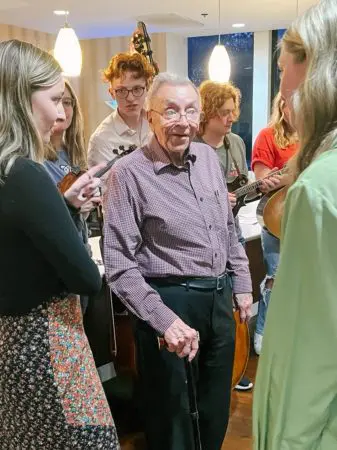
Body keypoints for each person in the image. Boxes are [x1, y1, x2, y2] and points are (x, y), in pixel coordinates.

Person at [103, 72, 253, 450]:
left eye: (190, 111)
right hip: (171, 305)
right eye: (170, 111)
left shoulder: (206, 158)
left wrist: (243, 283)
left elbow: (226, 227)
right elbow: (120, 264)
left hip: (219, 302)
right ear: (150, 117)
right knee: (173, 419)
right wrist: (164, 321)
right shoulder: (127, 175)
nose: (182, 122)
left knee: (215, 408)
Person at [0, 39, 119, 448]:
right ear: (22, 98)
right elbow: (86, 278)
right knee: (91, 441)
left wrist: (63, 207)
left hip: (11, 345)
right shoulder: (27, 174)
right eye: (53, 99)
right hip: (48, 344)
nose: (59, 113)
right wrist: (67, 216)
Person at [253, 0, 337, 448]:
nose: (282, 86)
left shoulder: (317, 188)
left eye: (284, 69)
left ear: (312, 70)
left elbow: (309, 358)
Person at [197, 79, 253, 391]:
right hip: (206, 240)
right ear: (208, 113)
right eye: (223, 112)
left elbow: (240, 187)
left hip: (234, 232)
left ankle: (235, 364)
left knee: (239, 301)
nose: (230, 118)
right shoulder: (194, 148)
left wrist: (247, 193)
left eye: (232, 112)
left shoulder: (236, 145)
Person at [44, 80, 100, 314]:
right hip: (53, 267)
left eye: (67, 102)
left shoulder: (74, 154)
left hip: (80, 252)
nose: (62, 110)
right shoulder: (35, 159)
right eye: (56, 101)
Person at [251, 91, 298, 355]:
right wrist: (298, 170)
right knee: (275, 277)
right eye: (285, 102)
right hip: (275, 219)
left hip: (303, 218)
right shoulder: (267, 137)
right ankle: (262, 331)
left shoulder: (314, 138)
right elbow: (263, 181)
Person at [88, 52, 155, 168]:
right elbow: (104, 185)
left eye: (137, 89)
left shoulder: (157, 125)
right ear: (112, 93)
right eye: (122, 91)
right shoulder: (101, 140)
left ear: (147, 89)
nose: (130, 98)